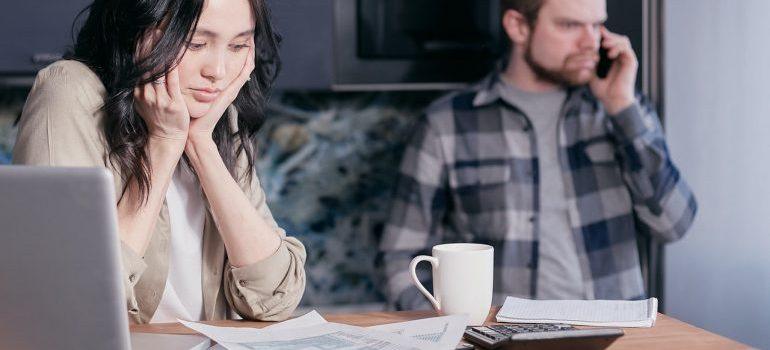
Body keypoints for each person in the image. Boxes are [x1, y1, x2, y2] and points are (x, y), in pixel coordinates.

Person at [380, 0, 697, 310]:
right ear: (518, 26)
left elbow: (672, 224)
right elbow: (400, 258)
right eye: (570, 25)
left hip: (615, 337)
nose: (592, 42)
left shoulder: (623, 109)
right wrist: (445, 334)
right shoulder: (445, 125)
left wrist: (621, 107)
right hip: (503, 342)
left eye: (597, 24)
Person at [13, 0, 305, 323]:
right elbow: (67, 302)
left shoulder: (215, 113)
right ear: (140, 33)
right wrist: (164, 143)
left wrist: (200, 144)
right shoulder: (69, 93)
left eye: (238, 46)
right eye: (196, 43)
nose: (218, 71)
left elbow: (276, 296)